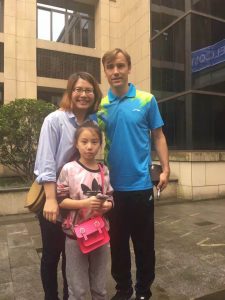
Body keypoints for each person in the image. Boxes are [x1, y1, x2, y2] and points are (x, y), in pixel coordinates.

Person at [97, 48, 170, 300]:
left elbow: (158, 136)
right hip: (112, 189)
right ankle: (123, 289)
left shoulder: (146, 100)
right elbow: (87, 139)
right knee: (117, 246)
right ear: (105, 71)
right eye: (110, 67)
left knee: (144, 245)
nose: (115, 71)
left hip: (140, 186)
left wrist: (166, 169)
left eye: (120, 66)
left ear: (129, 68)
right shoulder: (101, 106)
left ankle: (143, 291)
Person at [34, 72, 102, 300]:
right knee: (52, 254)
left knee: (71, 254)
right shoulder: (55, 120)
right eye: (78, 89)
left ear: (95, 94)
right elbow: (46, 162)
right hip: (54, 196)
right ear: (70, 92)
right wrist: (51, 199)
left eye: (88, 90)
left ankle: (68, 295)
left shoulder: (93, 124)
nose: (83, 95)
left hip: (78, 200)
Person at [56, 121, 113, 300]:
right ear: (76, 144)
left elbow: (110, 197)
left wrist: (107, 206)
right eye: (84, 141)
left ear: (100, 144)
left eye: (94, 142)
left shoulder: (104, 170)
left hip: (99, 233)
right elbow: (61, 201)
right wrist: (86, 203)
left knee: (100, 288)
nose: (89, 146)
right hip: (75, 236)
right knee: (78, 290)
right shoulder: (69, 169)